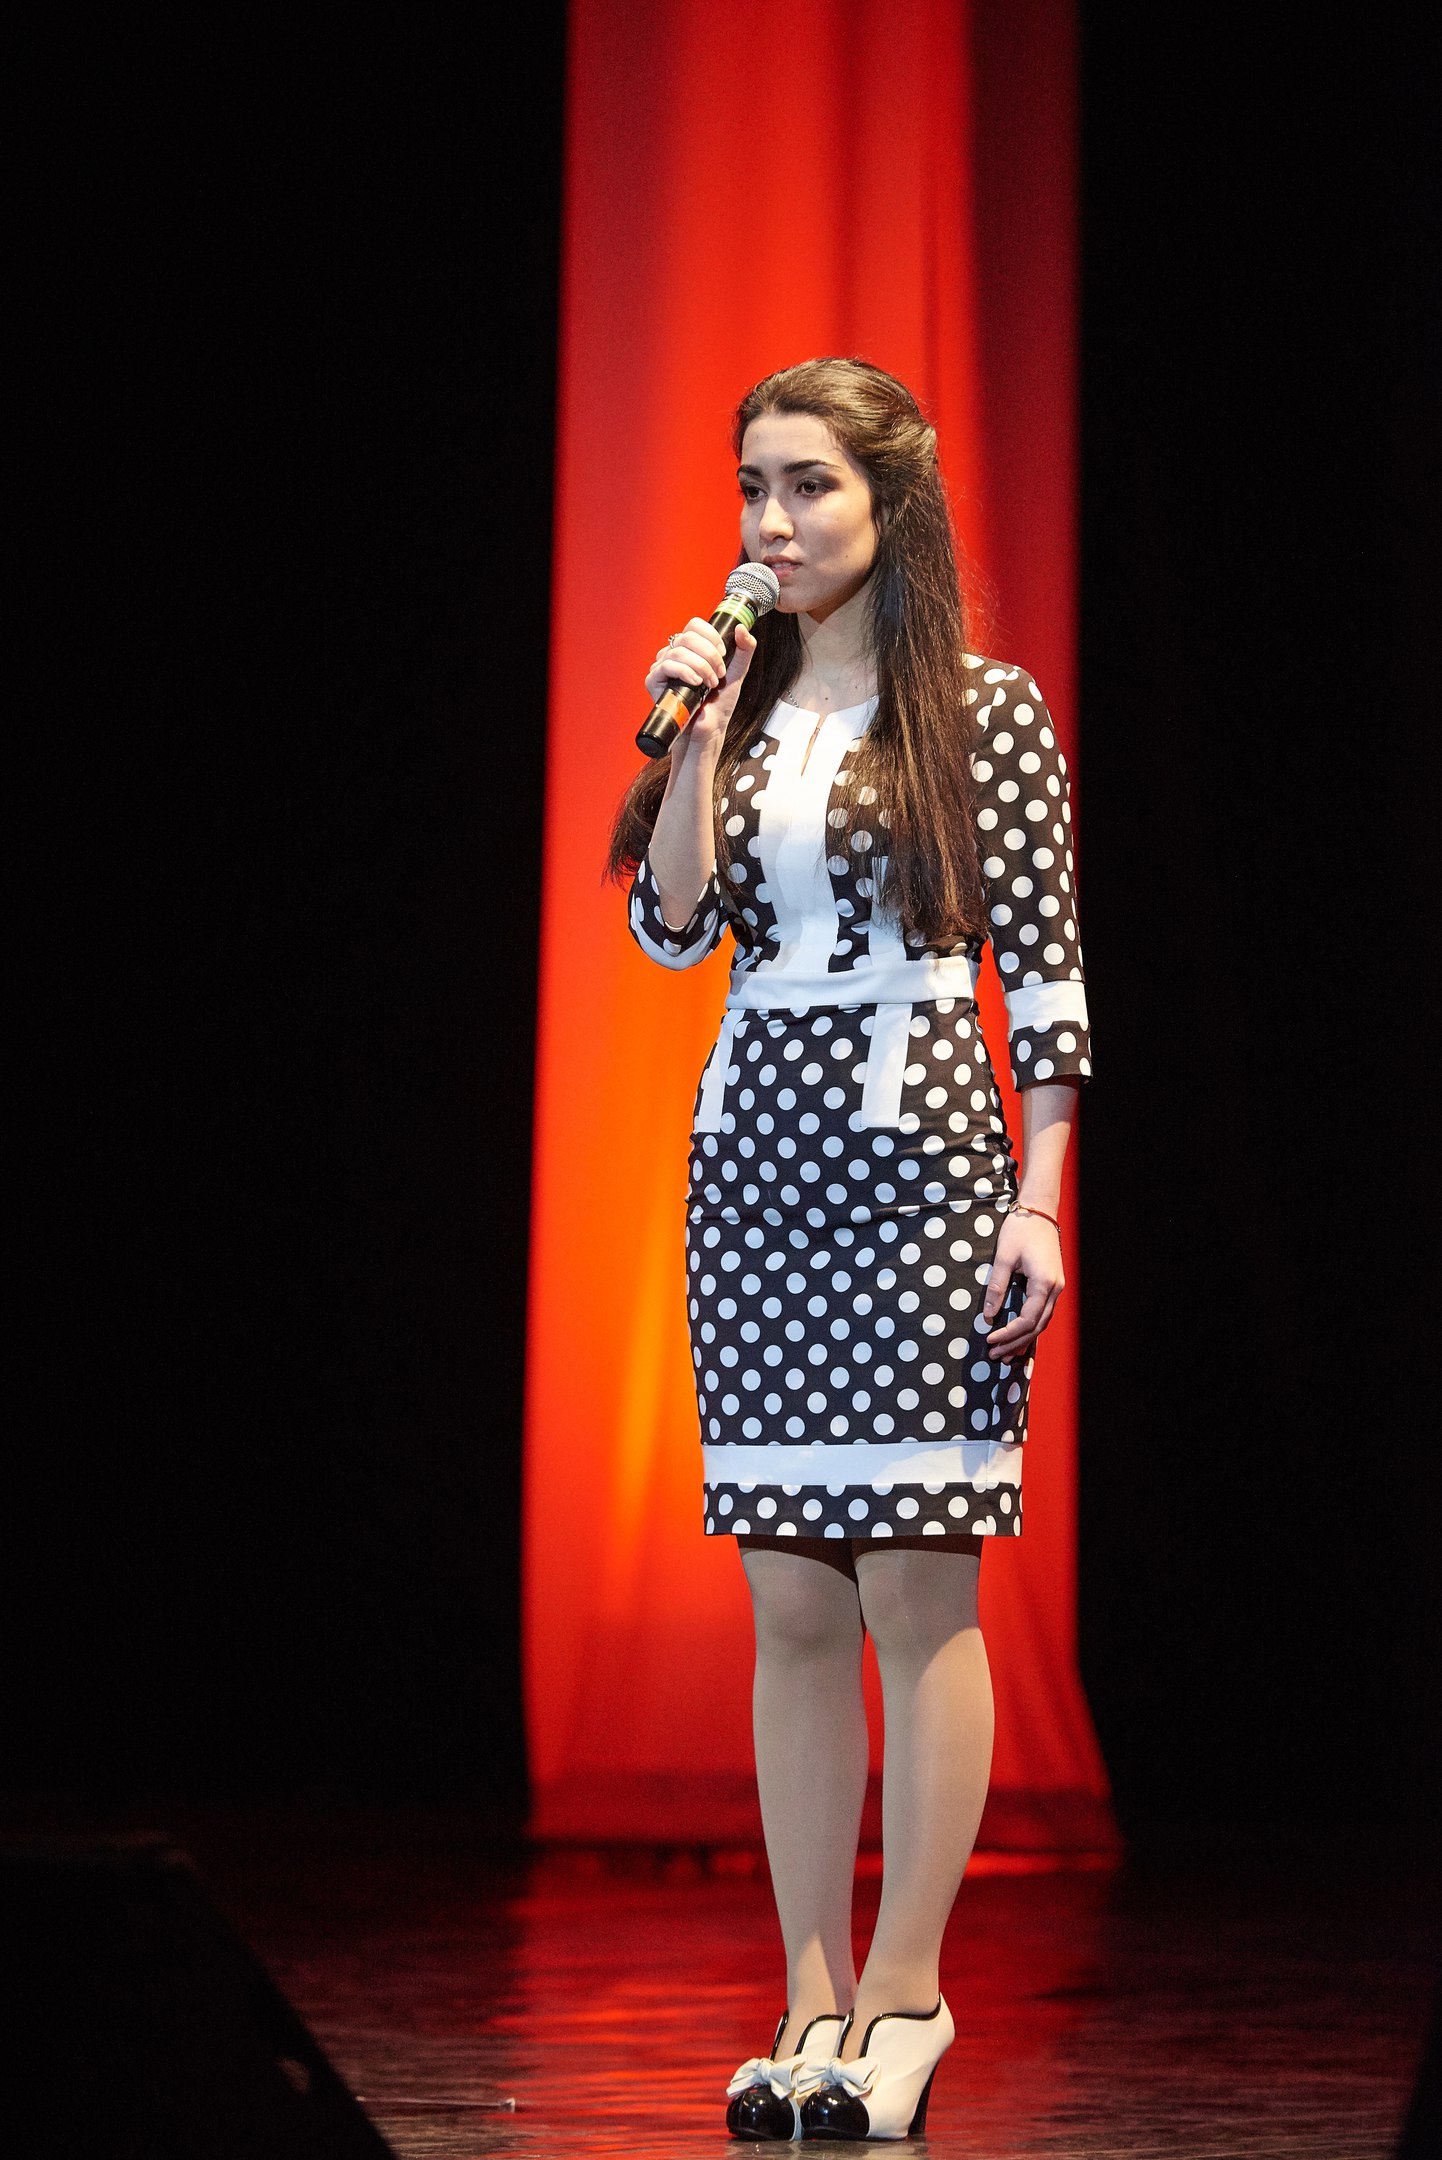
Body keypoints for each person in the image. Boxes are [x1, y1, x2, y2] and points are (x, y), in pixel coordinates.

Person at [608, 358, 1091, 2142]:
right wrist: (697, 732)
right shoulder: (732, 703)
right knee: (790, 1600)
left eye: (808, 484)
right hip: (756, 1166)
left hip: (925, 1164)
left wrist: (1038, 1196)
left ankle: (905, 1995)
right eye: (752, 485)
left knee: (910, 1583)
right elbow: (672, 931)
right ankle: (807, 2000)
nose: (773, 520)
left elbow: (1045, 973)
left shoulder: (981, 709)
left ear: (891, 503)